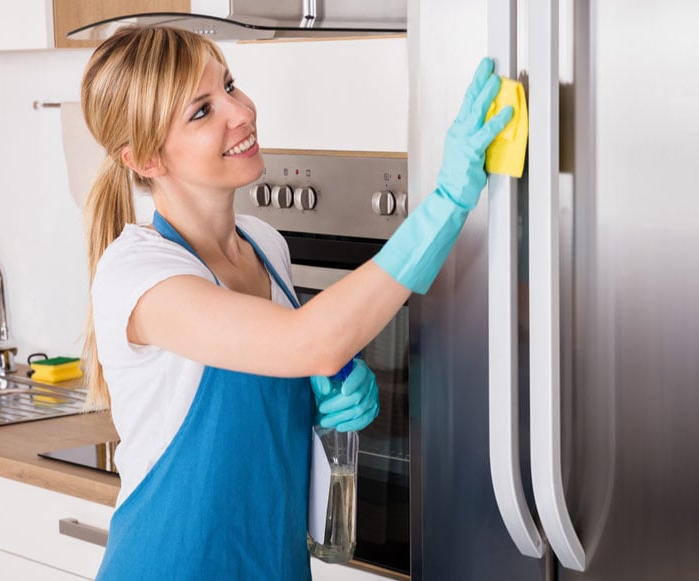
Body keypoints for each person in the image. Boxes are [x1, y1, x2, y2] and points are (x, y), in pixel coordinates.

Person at [80, 25, 511, 580]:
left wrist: (319, 398)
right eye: (202, 111)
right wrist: (447, 202)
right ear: (145, 160)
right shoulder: (139, 273)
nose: (241, 113)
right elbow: (309, 340)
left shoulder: (267, 246)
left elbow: (269, 402)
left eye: (229, 86)